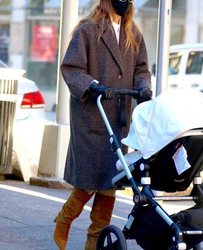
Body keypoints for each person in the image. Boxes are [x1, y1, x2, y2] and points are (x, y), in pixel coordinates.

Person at [53, 0, 152, 249]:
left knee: (111, 182)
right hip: (91, 115)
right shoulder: (87, 29)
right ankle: (65, 218)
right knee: (88, 180)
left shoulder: (134, 33)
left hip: (118, 119)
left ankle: (94, 240)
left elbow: (141, 68)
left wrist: (143, 88)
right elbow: (71, 68)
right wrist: (91, 85)